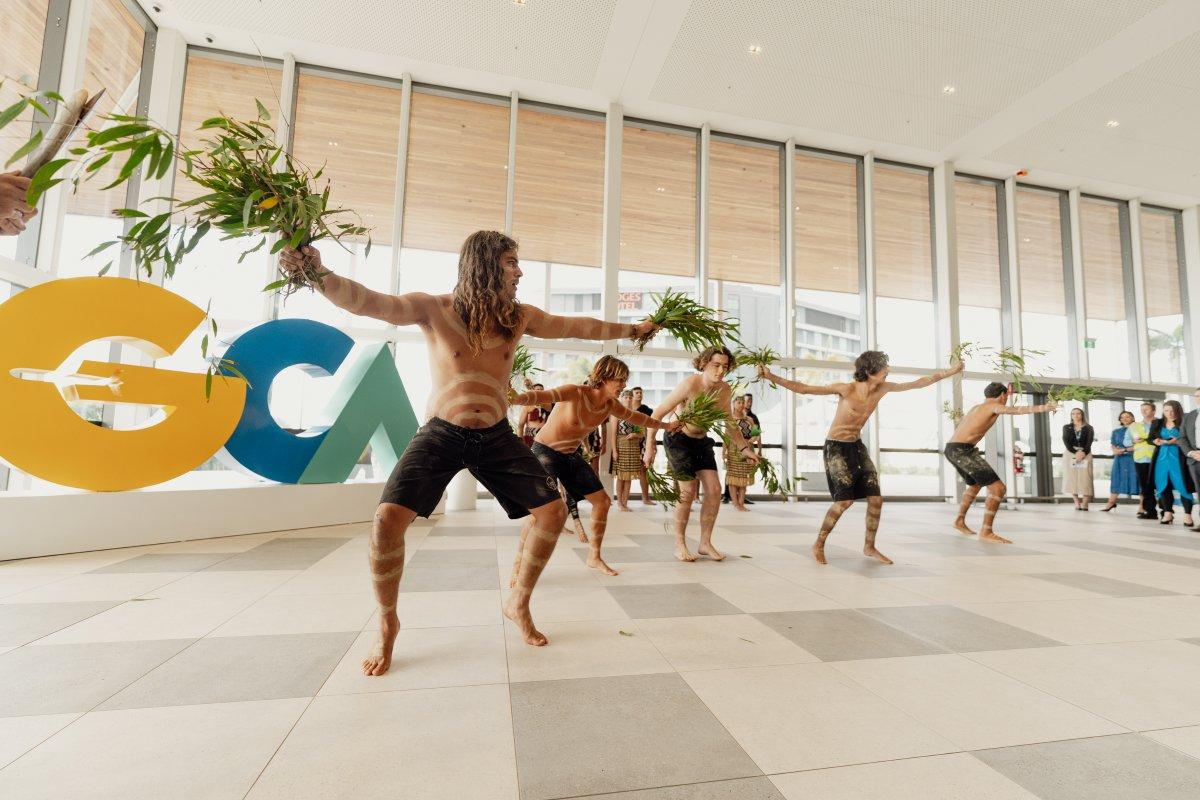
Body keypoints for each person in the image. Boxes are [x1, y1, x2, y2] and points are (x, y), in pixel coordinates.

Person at [278, 231, 658, 673]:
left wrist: (633, 330)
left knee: (552, 512)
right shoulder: (433, 309)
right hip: (442, 432)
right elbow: (369, 302)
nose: (520, 272)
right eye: (511, 262)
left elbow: (580, 328)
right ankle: (387, 622)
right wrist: (315, 271)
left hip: (495, 435)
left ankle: (518, 602)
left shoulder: (519, 318)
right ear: (484, 265)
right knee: (385, 521)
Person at [758, 351, 963, 565]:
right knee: (844, 501)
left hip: (857, 447)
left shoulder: (884, 388)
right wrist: (771, 376)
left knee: (876, 499)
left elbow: (919, 383)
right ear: (869, 371)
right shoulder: (846, 389)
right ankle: (818, 544)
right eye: (884, 368)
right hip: (836, 447)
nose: (888, 371)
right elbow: (804, 388)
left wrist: (952, 371)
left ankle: (869, 546)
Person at [508, 357, 680, 577]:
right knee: (540, 514)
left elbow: (639, 418)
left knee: (603, 502)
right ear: (604, 376)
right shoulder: (575, 392)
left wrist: (666, 425)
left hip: (570, 454)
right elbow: (541, 396)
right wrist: (516, 397)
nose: (624, 386)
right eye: (620, 380)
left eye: (626, 381)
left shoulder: (610, 405)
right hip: (545, 452)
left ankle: (594, 556)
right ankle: (519, 562)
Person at [645, 345, 760, 562]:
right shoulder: (690, 385)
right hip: (678, 440)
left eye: (724, 367)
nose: (720, 371)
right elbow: (657, 414)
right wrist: (650, 446)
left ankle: (705, 543)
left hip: (702, 442)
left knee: (715, 489)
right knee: (687, 493)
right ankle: (679, 543)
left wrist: (745, 448)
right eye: (716, 365)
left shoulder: (724, 390)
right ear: (705, 363)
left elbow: (730, 424)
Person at [943, 382, 1057, 543]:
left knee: (975, 484)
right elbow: (1016, 410)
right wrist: (1045, 407)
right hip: (962, 451)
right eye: (1006, 397)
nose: (1006, 400)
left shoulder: (976, 407)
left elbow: (965, 424)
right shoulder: (994, 406)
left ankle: (959, 521)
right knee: (998, 488)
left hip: (952, 449)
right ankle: (986, 531)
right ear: (1002, 395)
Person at [1152, 399, 1194, 525]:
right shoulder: (1157, 422)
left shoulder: (1184, 422)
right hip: (1161, 459)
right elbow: (1151, 437)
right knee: (1163, 486)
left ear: (1178, 410)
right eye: (1166, 410)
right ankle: (1168, 513)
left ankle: (1188, 515)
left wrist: (1176, 441)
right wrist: (1155, 441)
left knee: (1184, 486)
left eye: (1172, 410)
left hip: (1179, 459)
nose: (1169, 413)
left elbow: (1190, 439)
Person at [723, 395, 760, 511]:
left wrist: (754, 438)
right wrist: (723, 451)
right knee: (733, 479)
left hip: (748, 450)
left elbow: (756, 433)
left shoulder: (749, 419)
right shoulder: (730, 420)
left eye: (742, 402)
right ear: (733, 404)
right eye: (738, 402)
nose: (741, 405)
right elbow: (726, 437)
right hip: (733, 451)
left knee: (744, 478)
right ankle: (735, 503)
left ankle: (741, 502)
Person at [611, 389, 645, 512]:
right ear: (621, 398)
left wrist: (636, 435)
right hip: (621, 445)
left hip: (634, 447)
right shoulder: (617, 413)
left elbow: (642, 433)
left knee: (629, 477)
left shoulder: (636, 414)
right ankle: (619, 503)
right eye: (626, 397)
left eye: (630, 397)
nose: (629, 399)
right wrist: (614, 450)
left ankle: (625, 503)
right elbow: (613, 434)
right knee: (621, 477)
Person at [1102, 411, 1140, 512]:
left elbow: (1138, 445)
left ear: (1133, 418)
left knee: (1138, 480)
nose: (1124, 419)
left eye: (1127, 417)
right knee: (1116, 479)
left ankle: (1142, 506)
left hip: (1134, 458)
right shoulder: (1116, 432)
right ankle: (1111, 502)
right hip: (1120, 460)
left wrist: (1123, 450)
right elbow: (1113, 446)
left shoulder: (1138, 429)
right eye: (1122, 417)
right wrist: (1116, 450)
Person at [1130, 401, 1161, 519]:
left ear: (1153, 411)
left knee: (1160, 485)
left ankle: (1166, 511)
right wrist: (1133, 441)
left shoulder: (1160, 423)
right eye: (1142, 409)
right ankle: (1151, 512)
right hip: (1141, 459)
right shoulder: (1134, 425)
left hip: (1158, 458)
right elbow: (1126, 441)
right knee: (1145, 487)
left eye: (1146, 409)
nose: (1143, 411)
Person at [1062, 408, 1095, 511]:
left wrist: (1083, 452)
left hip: (1086, 453)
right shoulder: (1066, 427)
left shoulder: (1089, 428)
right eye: (1073, 414)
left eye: (1078, 413)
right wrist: (1076, 452)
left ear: (1082, 415)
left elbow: (1089, 442)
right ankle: (1077, 502)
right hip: (1071, 454)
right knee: (1072, 478)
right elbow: (1066, 441)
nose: (1076, 415)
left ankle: (1085, 503)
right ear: (1071, 416)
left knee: (1086, 478)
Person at [1178, 388, 1200, 530]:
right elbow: (1182, 438)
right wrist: (1191, 453)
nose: (1199, 398)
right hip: (1194, 458)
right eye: (1197, 396)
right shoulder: (1189, 416)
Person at [630, 386, 656, 505]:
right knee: (627, 472)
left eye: (641, 393)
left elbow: (653, 427)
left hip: (644, 443)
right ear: (632, 395)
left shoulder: (647, 410)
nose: (639, 394)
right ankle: (623, 501)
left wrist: (653, 444)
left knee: (644, 471)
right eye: (637, 393)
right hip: (629, 443)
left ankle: (645, 498)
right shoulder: (627, 410)